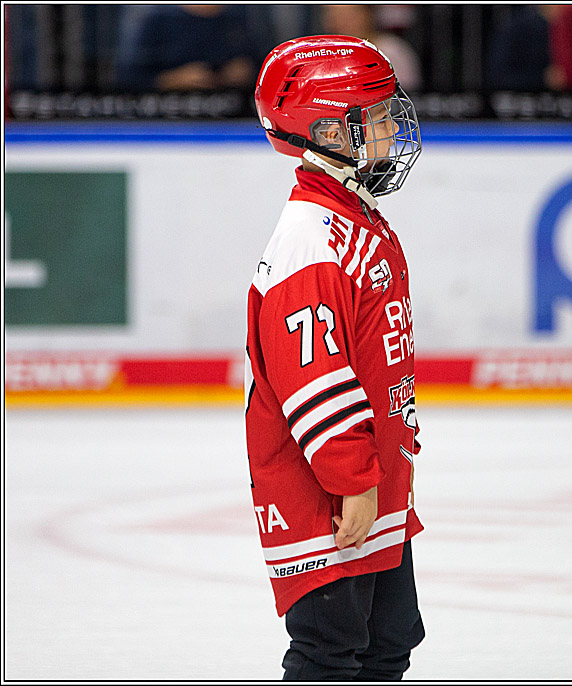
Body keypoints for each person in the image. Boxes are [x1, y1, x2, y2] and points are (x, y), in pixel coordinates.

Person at [246, 35, 425, 680]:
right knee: (330, 648)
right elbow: (313, 376)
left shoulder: (353, 217)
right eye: (374, 118)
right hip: (325, 491)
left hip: (373, 479)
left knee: (388, 641)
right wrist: (354, 479)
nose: (391, 131)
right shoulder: (310, 239)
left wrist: (381, 474)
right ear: (326, 131)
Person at [115, 5, 261, 91]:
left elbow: (261, 66)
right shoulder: (159, 19)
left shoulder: (237, 19)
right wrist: (173, 80)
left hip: (232, 111)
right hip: (168, 114)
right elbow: (128, 78)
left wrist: (245, 72)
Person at [319, 4, 422, 92]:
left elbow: (407, 95)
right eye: (336, 15)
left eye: (349, 14)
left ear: (368, 15)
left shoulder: (391, 50)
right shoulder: (322, 56)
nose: (342, 22)